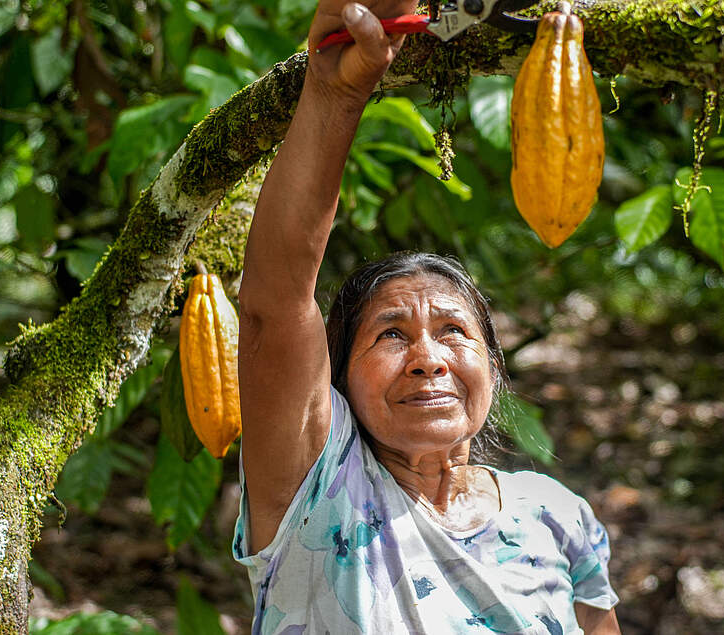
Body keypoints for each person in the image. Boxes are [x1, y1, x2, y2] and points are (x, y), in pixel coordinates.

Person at [233, 1, 620, 632]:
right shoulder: (322, 489)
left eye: (453, 331)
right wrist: (334, 90)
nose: (428, 358)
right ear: (336, 377)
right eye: (391, 333)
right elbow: (274, 309)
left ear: (491, 367)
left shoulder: (558, 516)